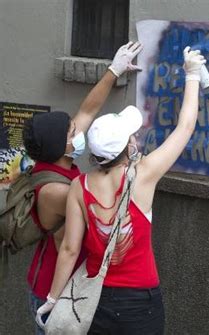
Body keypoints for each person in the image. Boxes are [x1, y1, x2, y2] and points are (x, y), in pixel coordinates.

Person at [35, 47, 206, 334]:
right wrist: (192, 75)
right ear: (128, 146)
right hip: (141, 300)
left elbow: (69, 248)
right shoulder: (143, 174)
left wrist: (53, 298)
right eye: (132, 136)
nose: (136, 138)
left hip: (94, 299)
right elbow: (185, 127)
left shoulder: (80, 185)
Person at [22, 41, 143, 335]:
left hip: (72, 284)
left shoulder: (57, 157)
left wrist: (114, 70)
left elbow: (88, 109)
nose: (78, 131)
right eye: (72, 132)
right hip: (54, 290)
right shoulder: (53, 190)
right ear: (63, 145)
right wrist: (132, 158)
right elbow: (105, 204)